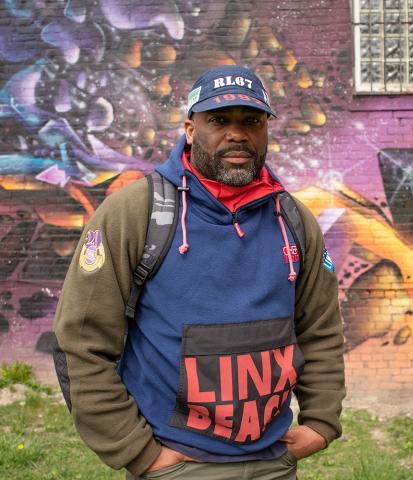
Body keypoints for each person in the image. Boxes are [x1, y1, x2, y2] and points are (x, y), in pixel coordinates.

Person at [53, 65, 345, 480]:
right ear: (190, 129)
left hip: (273, 462)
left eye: (251, 121)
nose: (237, 133)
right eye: (219, 120)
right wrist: (137, 451)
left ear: (265, 129)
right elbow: (80, 342)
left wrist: (321, 421)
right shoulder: (135, 213)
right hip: (178, 465)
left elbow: (320, 330)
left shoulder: (293, 219)